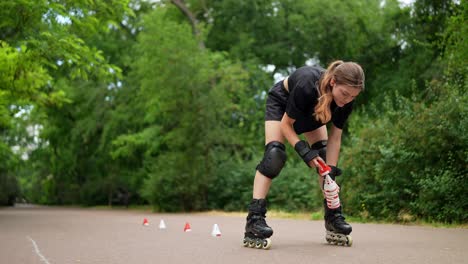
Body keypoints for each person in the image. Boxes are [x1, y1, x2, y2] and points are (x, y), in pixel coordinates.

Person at [243, 60, 365, 249]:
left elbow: (335, 138)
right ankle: (254, 220)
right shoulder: (308, 84)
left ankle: (333, 216)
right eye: (345, 94)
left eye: (352, 97)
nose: (347, 100)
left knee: (325, 161)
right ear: (333, 82)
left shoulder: (344, 101)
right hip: (284, 104)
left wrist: (330, 175)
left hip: (315, 109)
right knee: (274, 157)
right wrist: (304, 152)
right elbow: (286, 125)